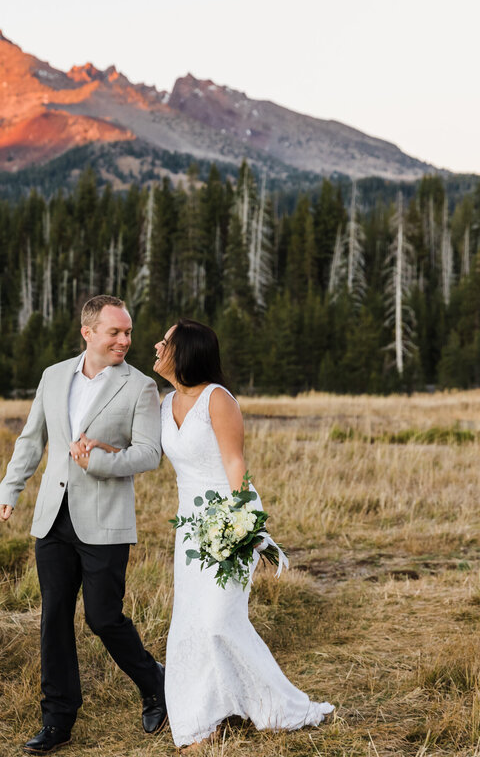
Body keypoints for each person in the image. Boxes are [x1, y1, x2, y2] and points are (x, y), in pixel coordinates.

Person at [81, 318, 334, 749]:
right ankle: (203, 716)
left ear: (187, 352)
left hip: (229, 517)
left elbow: (236, 464)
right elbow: (150, 453)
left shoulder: (218, 400)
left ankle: (278, 707)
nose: (156, 346)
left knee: (220, 618)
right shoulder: (165, 404)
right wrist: (99, 447)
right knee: (192, 622)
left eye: (166, 342)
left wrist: (241, 525)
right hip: (190, 526)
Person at [0, 295, 167, 755]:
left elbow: (151, 453)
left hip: (106, 519)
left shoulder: (140, 387)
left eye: (128, 332)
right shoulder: (53, 376)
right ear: (88, 332)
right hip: (52, 516)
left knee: (103, 617)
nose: (125, 341)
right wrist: (9, 491)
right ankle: (57, 721)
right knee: (53, 618)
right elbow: (32, 439)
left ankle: (154, 684)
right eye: (115, 332)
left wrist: (99, 462)